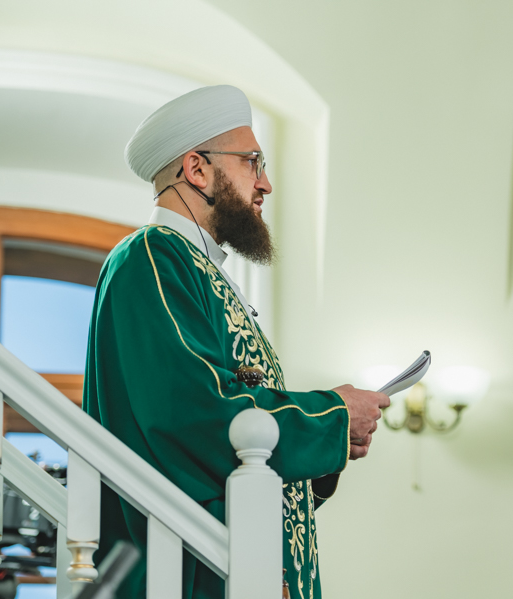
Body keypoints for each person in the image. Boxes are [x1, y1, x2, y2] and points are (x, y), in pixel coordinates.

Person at [82, 84, 390, 599]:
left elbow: (240, 456)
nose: (265, 183)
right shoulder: (152, 256)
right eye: (252, 162)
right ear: (197, 169)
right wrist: (331, 415)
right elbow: (192, 416)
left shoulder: (201, 270)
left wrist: (326, 453)